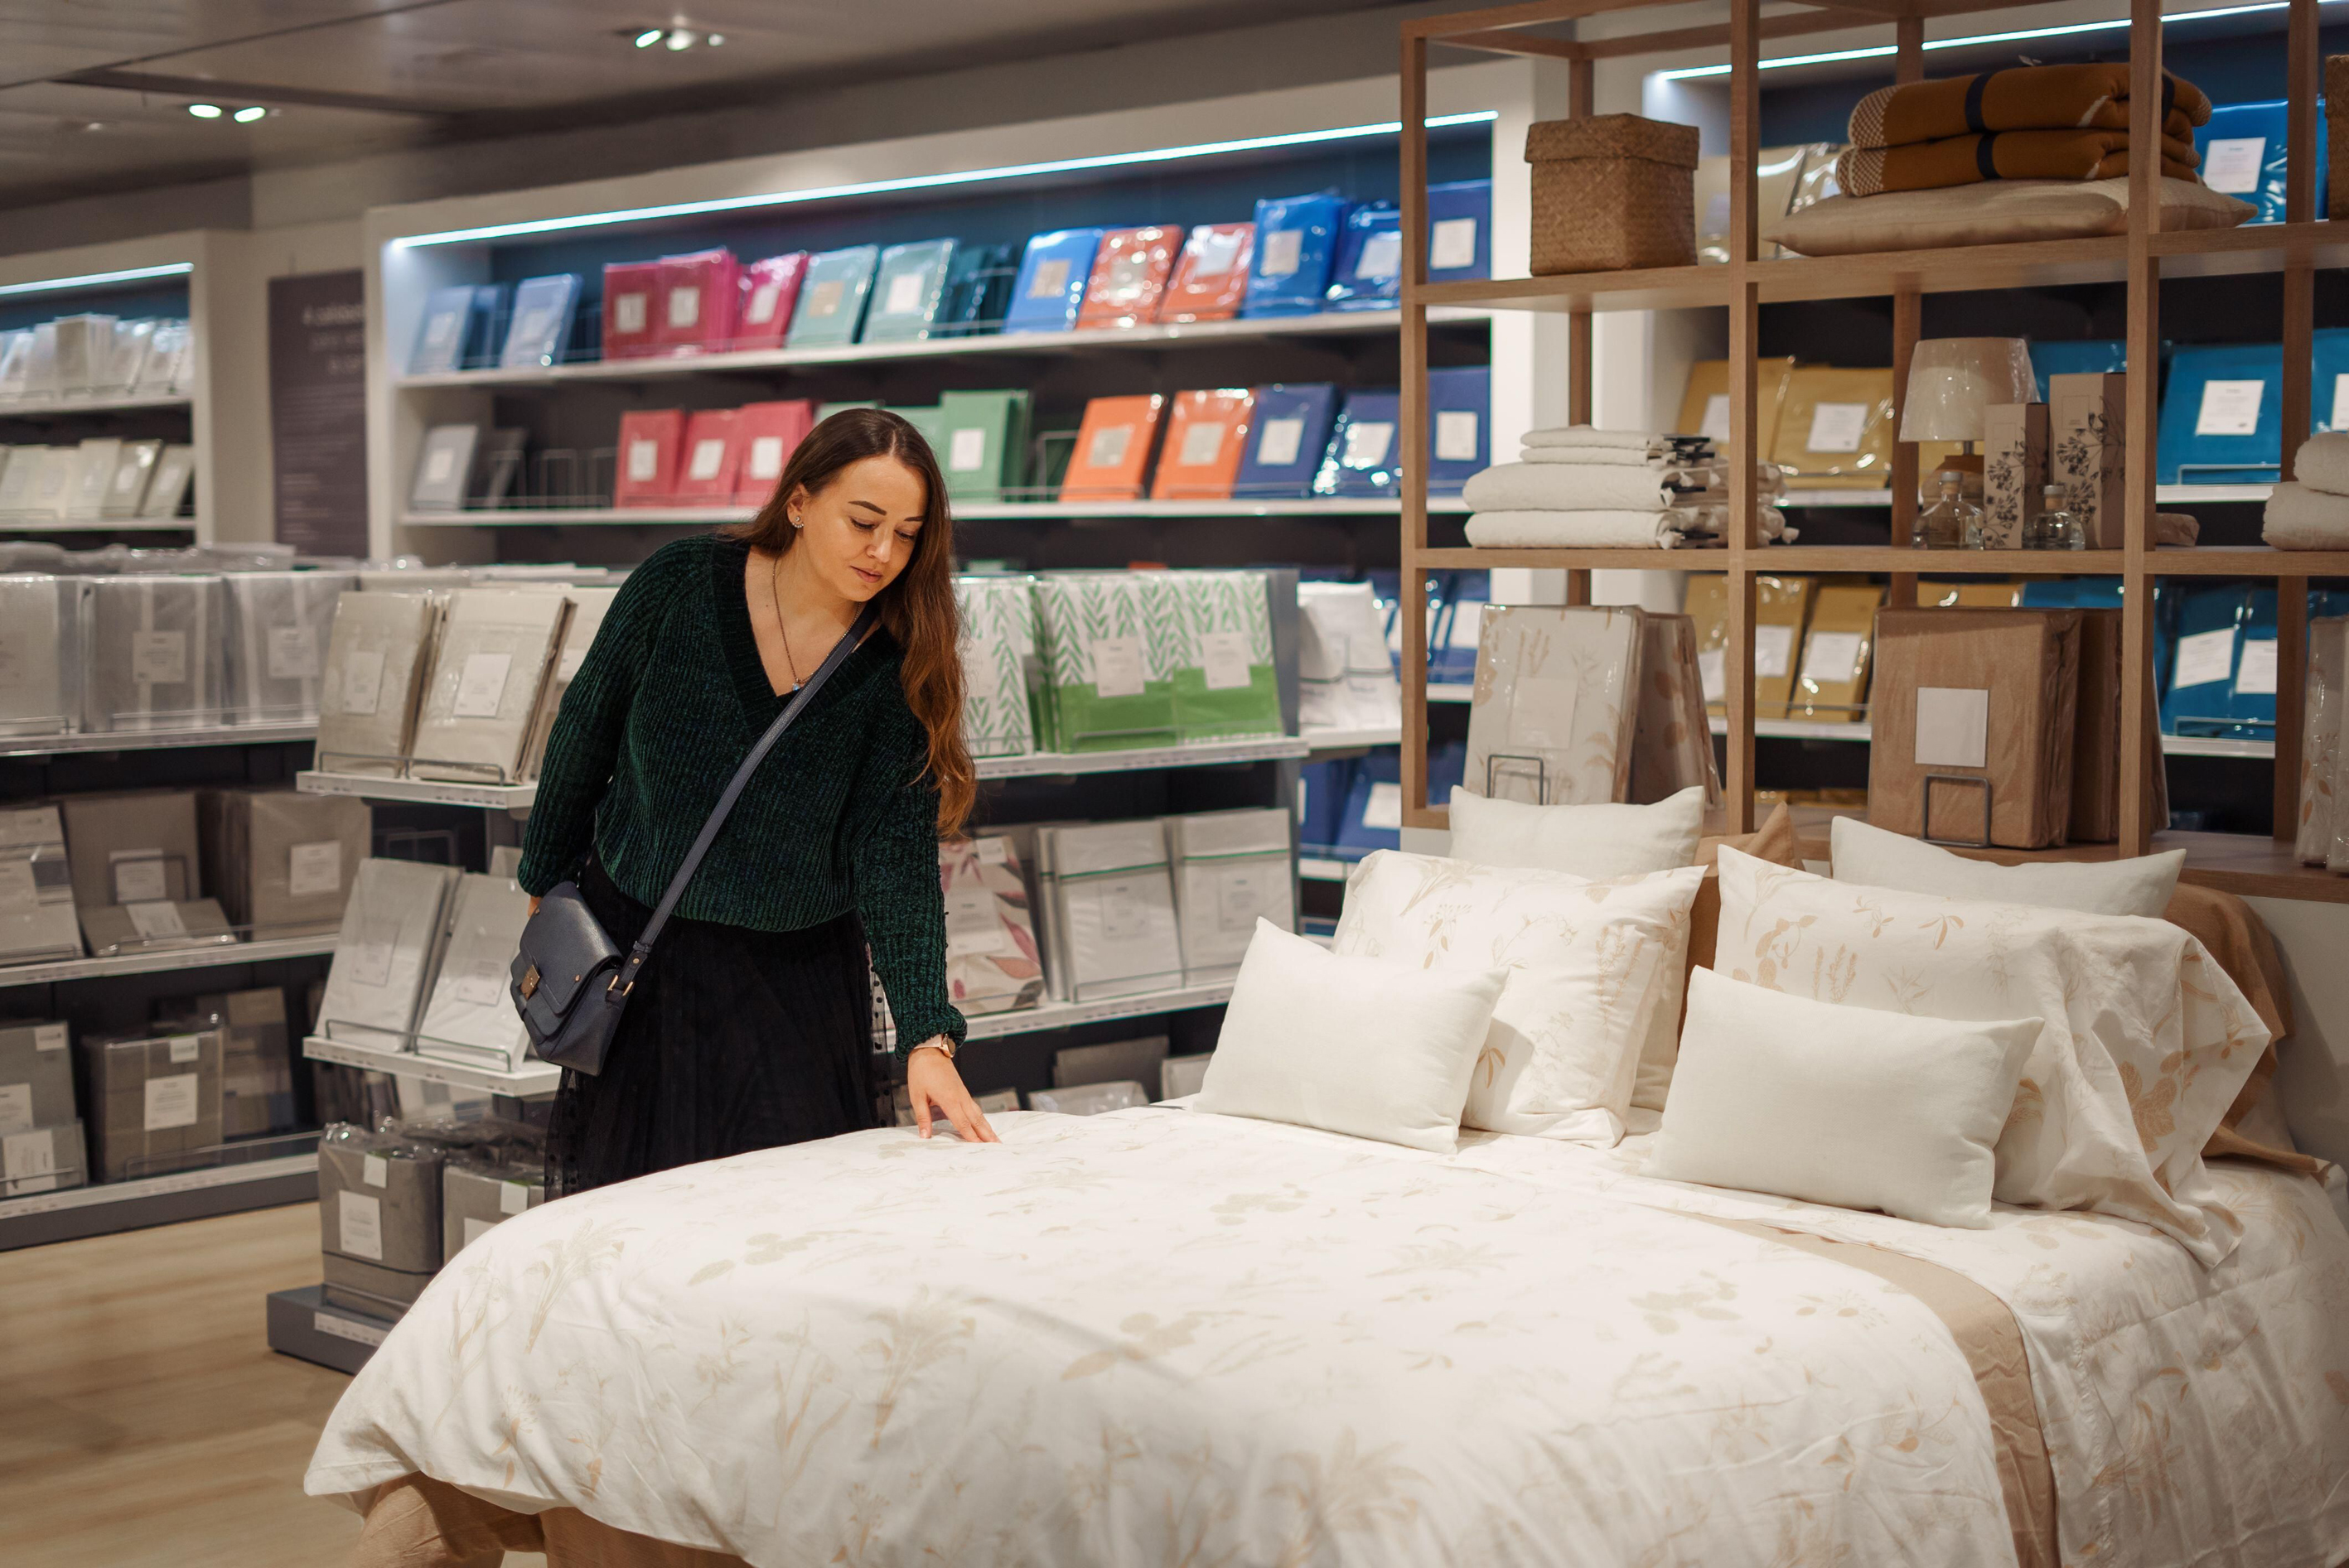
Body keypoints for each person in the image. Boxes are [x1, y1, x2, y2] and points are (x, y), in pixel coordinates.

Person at [516, 408, 999, 1196]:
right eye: (864, 521)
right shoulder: (678, 586)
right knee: (635, 1215)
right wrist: (543, 876)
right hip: (643, 955)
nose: (883, 553)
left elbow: (895, 852)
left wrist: (927, 1034)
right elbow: (585, 729)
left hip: (794, 983)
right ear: (800, 502)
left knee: (787, 1219)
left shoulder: (897, 654)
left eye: (908, 533)